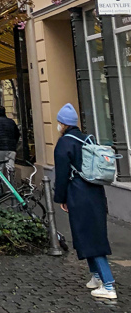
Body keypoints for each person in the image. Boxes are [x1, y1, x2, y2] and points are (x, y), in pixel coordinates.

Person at [53, 102, 116, 300]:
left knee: (90, 237)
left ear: (63, 124)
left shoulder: (64, 143)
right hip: (95, 193)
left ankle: (108, 284)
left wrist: (61, 198)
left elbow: (62, 174)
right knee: (87, 234)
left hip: (78, 194)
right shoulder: (88, 138)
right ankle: (96, 277)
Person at [0, 105, 20, 176]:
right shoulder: (11, 122)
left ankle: (0, 184)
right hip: (11, 148)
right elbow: (17, 134)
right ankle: (11, 182)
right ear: (5, 112)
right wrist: (14, 143)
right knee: (10, 168)